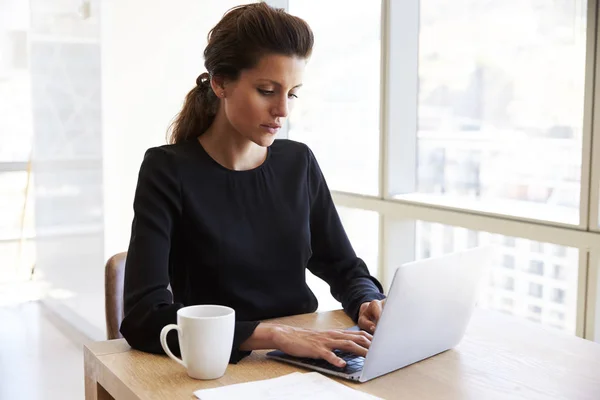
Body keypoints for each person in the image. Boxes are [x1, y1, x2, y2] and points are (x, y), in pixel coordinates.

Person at [120, 3, 386, 368]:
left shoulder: (298, 162)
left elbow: (343, 267)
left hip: (310, 358)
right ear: (220, 83)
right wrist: (273, 335)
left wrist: (367, 301)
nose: (283, 110)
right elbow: (142, 317)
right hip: (223, 366)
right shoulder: (167, 170)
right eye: (266, 90)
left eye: (291, 93)